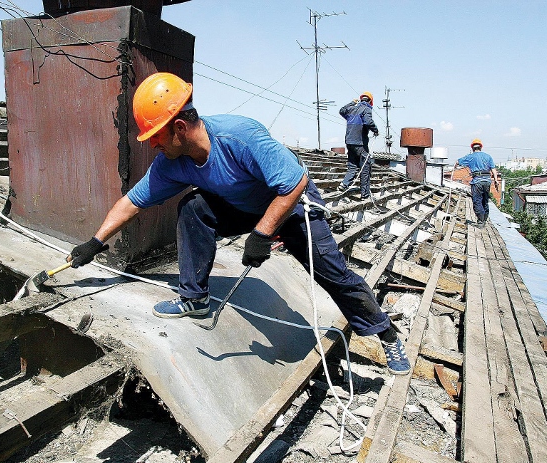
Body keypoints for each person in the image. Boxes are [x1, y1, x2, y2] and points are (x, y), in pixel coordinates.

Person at [66, 72, 410, 375]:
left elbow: (294, 183)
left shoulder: (239, 135)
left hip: (292, 205)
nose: (153, 145)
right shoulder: (171, 163)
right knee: (194, 206)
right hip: (245, 207)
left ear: (180, 128)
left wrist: (262, 234)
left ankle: (385, 333)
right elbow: (131, 202)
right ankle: (194, 299)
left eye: (156, 135)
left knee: (333, 274)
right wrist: (95, 242)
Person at [337, 92, 379, 200]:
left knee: (353, 166)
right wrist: (375, 130)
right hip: (359, 143)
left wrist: (351, 103)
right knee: (365, 166)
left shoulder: (351, 108)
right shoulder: (366, 109)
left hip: (349, 142)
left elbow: (341, 110)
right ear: (370, 101)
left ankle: (344, 184)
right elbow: (368, 122)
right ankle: (365, 194)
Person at [454, 139, 499, 227]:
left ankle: (481, 221)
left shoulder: (470, 157)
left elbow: (457, 162)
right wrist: (496, 180)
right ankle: (485, 219)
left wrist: (455, 166)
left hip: (477, 181)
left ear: (472, 148)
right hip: (487, 181)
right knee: (485, 200)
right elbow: (493, 169)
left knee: (477, 201)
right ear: (480, 147)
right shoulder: (488, 156)